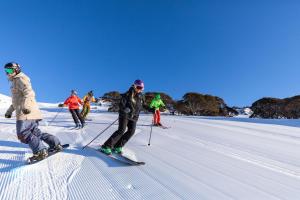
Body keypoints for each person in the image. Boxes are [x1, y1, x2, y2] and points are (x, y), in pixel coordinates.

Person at [4, 62, 62, 161]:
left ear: (16, 69)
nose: (7, 73)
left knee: (23, 133)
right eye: (6, 71)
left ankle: (40, 151)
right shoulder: (14, 82)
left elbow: (29, 93)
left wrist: (26, 106)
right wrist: (9, 111)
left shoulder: (20, 78)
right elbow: (16, 101)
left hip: (26, 111)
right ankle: (55, 144)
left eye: (9, 70)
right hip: (30, 111)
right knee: (36, 133)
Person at [101, 79, 150, 155]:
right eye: (139, 87)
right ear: (134, 86)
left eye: (142, 88)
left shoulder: (141, 97)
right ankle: (106, 146)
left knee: (131, 131)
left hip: (134, 117)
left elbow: (144, 105)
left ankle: (117, 146)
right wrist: (124, 109)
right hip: (125, 115)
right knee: (121, 130)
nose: (140, 89)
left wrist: (152, 109)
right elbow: (121, 104)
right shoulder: (128, 94)